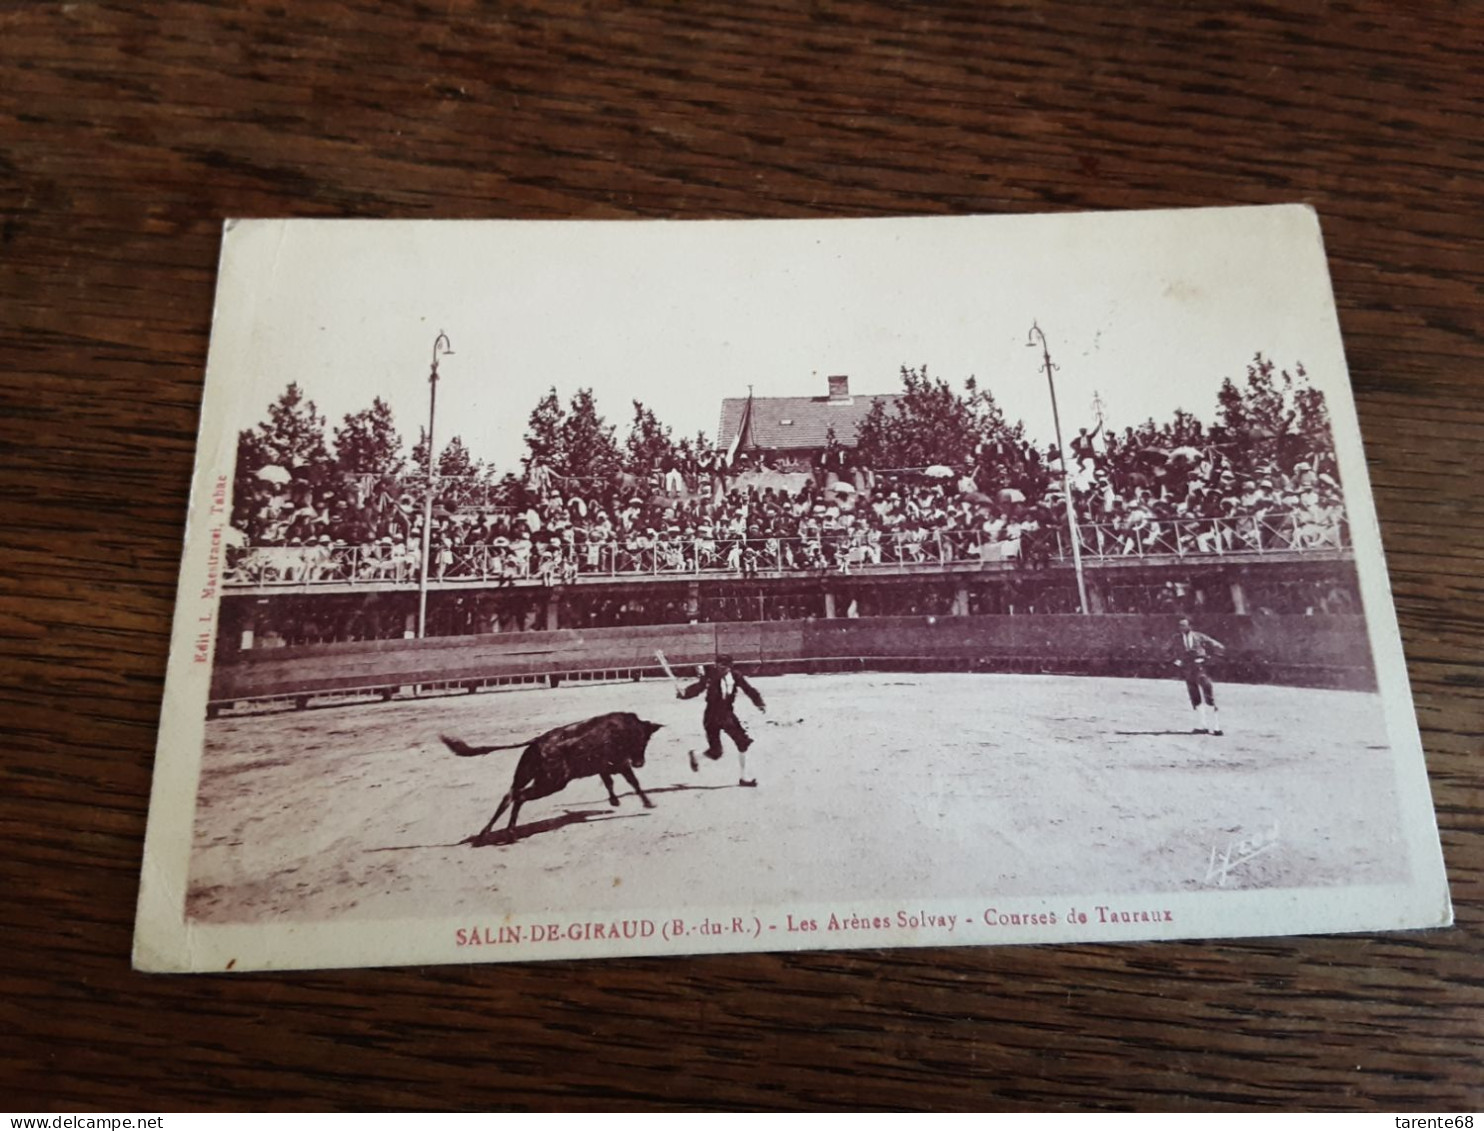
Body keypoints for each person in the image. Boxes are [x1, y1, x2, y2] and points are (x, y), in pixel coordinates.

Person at [678, 654, 766, 786]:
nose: (719, 668)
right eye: (718, 665)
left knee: (742, 742)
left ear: (730, 667)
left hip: (727, 714)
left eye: (723, 666)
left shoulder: (736, 676)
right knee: (716, 752)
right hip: (711, 716)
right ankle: (696, 756)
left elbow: (749, 690)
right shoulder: (710, 676)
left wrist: (759, 703)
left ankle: (744, 778)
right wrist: (684, 693)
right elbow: (698, 688)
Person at [1169, 615, 1226, 735]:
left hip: (1201, 669)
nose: (1181, 627)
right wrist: (1176, 660)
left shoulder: (1200, 637)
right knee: (1195, 697)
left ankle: (1216, 727)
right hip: (1188, 670)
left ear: (1190, 626)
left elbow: (1219, 647)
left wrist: (1207, 659)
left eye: (1184, 625)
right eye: (1180, 625)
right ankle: (1201, 725)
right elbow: (1167, 651)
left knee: (1208, 695)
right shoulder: (1176, 638)